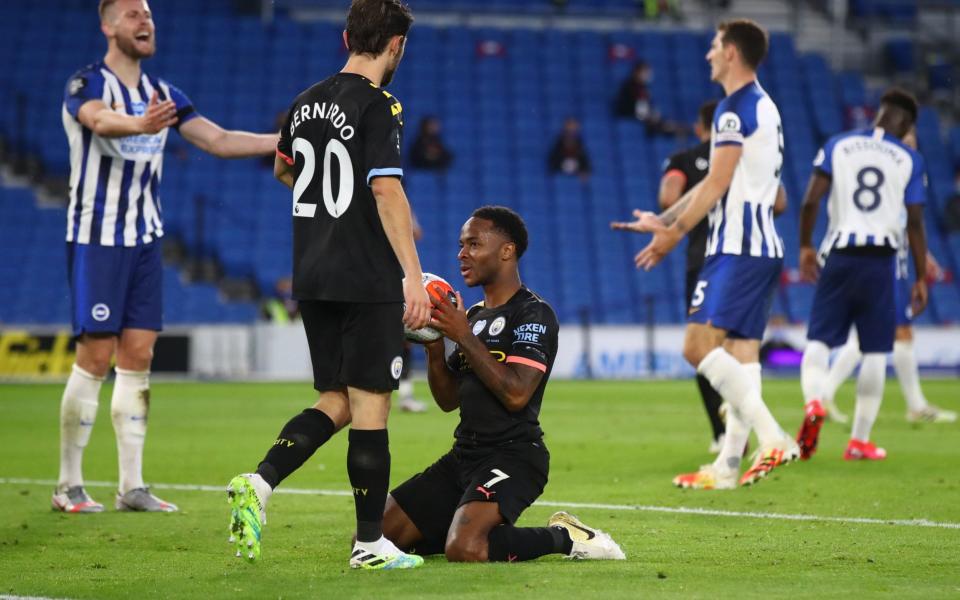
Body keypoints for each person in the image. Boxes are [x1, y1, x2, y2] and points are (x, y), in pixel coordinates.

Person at [226, 0, 431, 570]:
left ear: (346, 38)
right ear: (396, 46)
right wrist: (412, 277)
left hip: (313, 275)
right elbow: (388, 192)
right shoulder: (381, 104)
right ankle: (369, 545)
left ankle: (260, 482)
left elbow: (283, 170)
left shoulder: (303, 102)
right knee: (372, 407)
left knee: (336, 400)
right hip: (365, 275)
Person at [54, 0, 277, 514]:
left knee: (139, 356)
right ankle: (68, 484)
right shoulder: (85, 84)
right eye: (132, 14)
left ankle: (131, 485)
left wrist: (281, 140)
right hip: (97, 237)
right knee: (95, 357)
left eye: (148, 13)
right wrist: (142, 124)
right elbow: (100, 122)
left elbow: (218, 140)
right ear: (108, 26)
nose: (144, 20)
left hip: (144, 240)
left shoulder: (164, 94)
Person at [612, 19, 798, 490]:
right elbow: (740, 184)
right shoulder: (766, 106)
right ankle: (728, 468)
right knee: (741, 356)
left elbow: (715, 183)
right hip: (763, 246)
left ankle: (774, 437)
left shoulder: (733, 110)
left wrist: (672, 233)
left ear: (732, 52)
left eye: (715, 46)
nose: (709, 54)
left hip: (735, 247)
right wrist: (663, 219)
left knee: (697, 348)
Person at [381, 206, 625, 562]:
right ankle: (463, 522)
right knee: (376, 537)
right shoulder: (475, 316)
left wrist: (462, 334)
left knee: (465, 549)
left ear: (507, 251)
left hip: (514, 455)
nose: (462, 254)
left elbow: (516, 394)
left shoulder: (533, 314)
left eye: (474, 244)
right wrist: (435, 347)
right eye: (461, 245)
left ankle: (566, 538)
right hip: (464, 456)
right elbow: (448, 400)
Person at [795, 88, 930, 462]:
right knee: (874, 350)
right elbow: (915, 222)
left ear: (880, 114)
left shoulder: (838, 144)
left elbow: (810, 200)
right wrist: (920, 276)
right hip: (882, 262)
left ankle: (813, 403)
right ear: (906, 124)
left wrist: (806, 246)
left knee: (820, 341)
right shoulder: (909, 158)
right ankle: (858, 441)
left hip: (839, 256)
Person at [816, 131, 955, 426]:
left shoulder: (898, 167)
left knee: (893, 334)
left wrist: (923, 257)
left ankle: (827, 395)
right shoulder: (898, 166)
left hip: (896, 262)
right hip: (884, 262)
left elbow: (903, 221)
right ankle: (827, 395)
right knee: (889, 334)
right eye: (909, 139)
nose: (913, 145)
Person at [614, 61, 686, 136]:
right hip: (632, 118)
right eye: (646, 72)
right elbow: (639, 112)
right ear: (637, 72)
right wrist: (650, 116)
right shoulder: (632, 87)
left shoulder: (643, 88)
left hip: (642, 118)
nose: (648, 75)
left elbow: (645, 108)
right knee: (664, 126)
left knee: (672, 125)